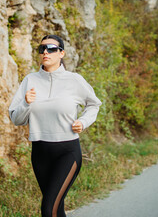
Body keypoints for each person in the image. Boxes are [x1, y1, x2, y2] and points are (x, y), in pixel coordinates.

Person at [8, 35, 101, 217]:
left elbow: (94, 104)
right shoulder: (30, 80)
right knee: (56, 209)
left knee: (48, 209)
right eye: (42, 49)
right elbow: (16, 119)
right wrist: (26, 103)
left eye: (51, 48)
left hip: (67, 152)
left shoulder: (74, 80)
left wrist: (82, 122)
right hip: (40, 152)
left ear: (61, 53)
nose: (45, 52)